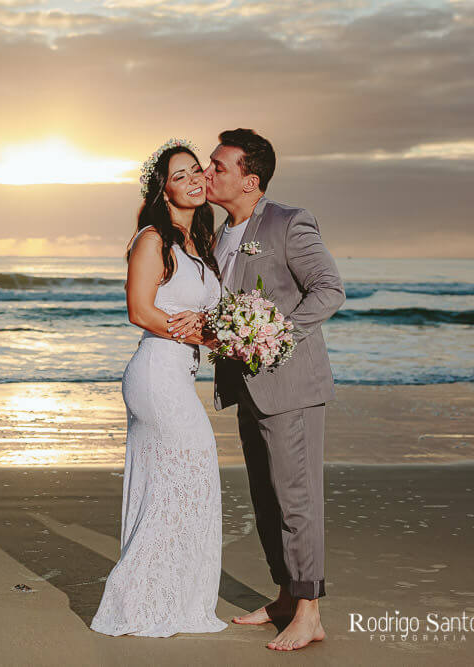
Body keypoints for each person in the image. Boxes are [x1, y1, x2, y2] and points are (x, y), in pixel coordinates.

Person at [170, 128, 345, 651]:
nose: (206, 173)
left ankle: (310, 610)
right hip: (246, 387)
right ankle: (286, 597)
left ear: (250, 181)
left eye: (218, 167)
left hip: (291, 385)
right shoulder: (217, 232)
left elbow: (330, 289)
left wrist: (274, 335)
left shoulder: (289, 223)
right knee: (265, 500)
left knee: (296, 499)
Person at [90, 139, 227, 636]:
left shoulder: (200, 244)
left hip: (179, 373)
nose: (193, 179)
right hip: (155, 375)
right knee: (185, 478)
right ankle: (136, 600)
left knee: (180, 484)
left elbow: (200, 319)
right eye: (180, 175)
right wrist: (189, 329)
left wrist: (219, 334)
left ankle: (170, 598)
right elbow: (139, 311)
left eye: (197, 171)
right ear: (162, 190)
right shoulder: (153, 239)